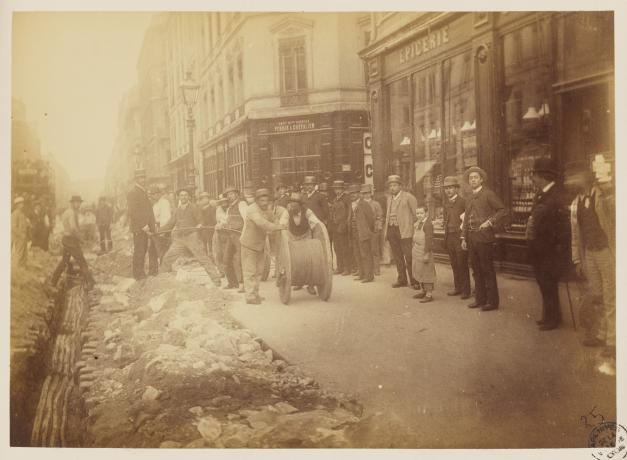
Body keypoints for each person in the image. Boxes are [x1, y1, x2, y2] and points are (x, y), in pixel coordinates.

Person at [564, 161, 615, 361]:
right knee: (597, 295)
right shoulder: (576, 203)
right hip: (590, 253)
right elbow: (575, 236)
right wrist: (577, 260)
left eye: (574, 177)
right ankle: (602, 334)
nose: (570, 181)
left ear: (585, 177)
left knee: (611, 296)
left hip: (607, 252)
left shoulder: (602, 196)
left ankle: (613, 341)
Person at [525, 158, 570, 330]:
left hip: (550, 250)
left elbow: (563, 226)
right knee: (544, 284)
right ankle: (549, 315)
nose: (532, 178)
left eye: (534, 175)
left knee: (549, 284)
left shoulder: (556, 196)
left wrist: (559, 247)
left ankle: (553, 319)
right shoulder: (541, 194)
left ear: (543, 176)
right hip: (539, 248)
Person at [461, 166, 508, 311]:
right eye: (471, 178)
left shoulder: (488, 194)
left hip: (485, 238)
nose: (473, 180)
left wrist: (489, 222)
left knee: (487, 270)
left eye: (476, 177)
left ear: (481, 179)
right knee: (475, 270)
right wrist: (463, 237)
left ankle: (492, 302)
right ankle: (480, 299)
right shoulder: (468, 198)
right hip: (471, 238)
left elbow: (503, 210)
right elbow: (466, 218)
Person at [158, 188, 222, 286]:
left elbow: (201, 220)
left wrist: (200, 225)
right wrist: (158, 231)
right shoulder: (177, 210)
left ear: (188, 197)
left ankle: (216, 279)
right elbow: (170, 224)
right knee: (168, 257)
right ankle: (161, 280)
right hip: (180, 238)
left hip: (192, 236)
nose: (183, 197)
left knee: (202, 258)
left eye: (185, 195)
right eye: (181, 195)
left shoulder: (193, 207)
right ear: (178, 197)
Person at [239, 188, 287, 304]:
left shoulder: (267, 209)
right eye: (262, 200)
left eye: (266, 200)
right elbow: (262, 223)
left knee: (259, 271)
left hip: (260, 245)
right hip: (249, 245)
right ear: (256, 201)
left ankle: (255, 294)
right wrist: (278, 227)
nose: (265, 203)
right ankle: (250, 297)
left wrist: (281, 224)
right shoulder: (252, 210)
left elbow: (274, 219)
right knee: (249, 271)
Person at [49, 195, 95, 289]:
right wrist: (81, 239)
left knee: (64, 262)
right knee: (81, 260)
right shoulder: (71, 213)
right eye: (77, 203)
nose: (78, 205)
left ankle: (53, 282)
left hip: (67, 239)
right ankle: (90, 283)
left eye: (79, 203)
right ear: (72, 203)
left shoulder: (68, 212)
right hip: (70, 240)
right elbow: (73, 228)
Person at [284, 192, 324, 295]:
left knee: (310, 261)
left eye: (295, 204)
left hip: (306, 238)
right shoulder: (287, 212)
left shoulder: (307, 211)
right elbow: (282, 224)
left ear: (300, 205)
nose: (292, 206)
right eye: (291, 203)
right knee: (295, 262)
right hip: (293, 238)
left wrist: (318, 234)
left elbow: (316, 223)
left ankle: (310, 285)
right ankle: (299, 282)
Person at [384, 175, 418, 289]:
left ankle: (415, 281)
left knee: (409, 257)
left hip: (405, 231)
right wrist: (387, 231)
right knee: (397, 257)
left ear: (400, 186)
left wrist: (414, 231)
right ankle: (402, 279)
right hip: (392, 230)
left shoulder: (409, 197)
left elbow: (416, 215)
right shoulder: (389, 198)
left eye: (394, 185)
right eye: (390, 186)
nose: (392, 188)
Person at [442, 176, 471, 299]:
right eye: (446, 188)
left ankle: (466, 290)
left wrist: (464, 235)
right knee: (454, 263)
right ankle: (457, 288)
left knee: (462, 263)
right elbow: (446, 219)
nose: (448, 190)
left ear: (456, 189)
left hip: (459, 237)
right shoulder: (446, 203)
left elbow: (468, 219)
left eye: (451, 188)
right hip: (449, 237)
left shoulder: (463, 202)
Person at [127, 169, 158, 280]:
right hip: (140, 228)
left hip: (145, 227)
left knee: (143, 249)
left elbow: (147, 210)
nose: (143, 180)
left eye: (144, 177)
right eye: (140, 178)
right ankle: (138, 275)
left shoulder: (142, 191)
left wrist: (151, 225)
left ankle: (140, 273)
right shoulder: (133, 192)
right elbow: (133, 211)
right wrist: (143, 225)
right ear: (136, 179)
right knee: (140, 250)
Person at [216, 186, 248, 291]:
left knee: (240, 260)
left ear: (236, 194)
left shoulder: (242, 204)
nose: (230, 196)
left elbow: (247, 220)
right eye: (228, 195)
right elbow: (226, 220)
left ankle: (243, 284)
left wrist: (244, 234)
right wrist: (220, 224)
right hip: (231, 235)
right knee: (226, 259)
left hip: (240, 235)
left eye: (231, 194)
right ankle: (232, 283)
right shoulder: (229, 208)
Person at [348, 184, 376, 283]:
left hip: (363, 233)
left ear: (359, 194)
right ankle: (361, 274)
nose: (352, 195)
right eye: (351, 193)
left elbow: (371, 220)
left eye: (355, 193)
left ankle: (369, 276)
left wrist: (366, 230)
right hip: (354, 233)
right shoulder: (351, 204)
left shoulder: (364, 204)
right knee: (357, 254)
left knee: (365, 254)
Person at [412, 204, 436, 303]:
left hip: (424, 250)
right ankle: (423, 291)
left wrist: (426, 253)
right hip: (417, 250)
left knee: (427, 272)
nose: (419, 215)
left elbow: (429, 239)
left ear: (426, 213)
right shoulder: (417, 223)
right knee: (419, 270)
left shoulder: (428, 224)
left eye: (421, 213)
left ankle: (429, 294)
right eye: (417, 213)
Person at [330, 180, 352, 275]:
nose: (337, 191)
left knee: (344, 248)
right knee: (337, 248)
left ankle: (347, 268)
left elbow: (349, 212)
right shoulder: (335, 199)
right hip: (335, 226)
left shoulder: (346, 198)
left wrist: (345, 224)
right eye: (335, 189)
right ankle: (340, 267)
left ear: (343, 189)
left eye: (339, 189)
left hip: (343, 226)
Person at [361, 184, 383, 276]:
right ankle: (367, 270)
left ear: (371, 193)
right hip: (364, 230)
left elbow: (380, 216)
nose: (366, 195)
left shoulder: (376, 204)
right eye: (364, 193)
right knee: (365, 251)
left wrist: (377, 227)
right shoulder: (360, 204)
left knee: (374, 250)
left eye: (368, 193)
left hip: (373, 229)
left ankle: (376, 269)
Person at [11, 196, 31, 267]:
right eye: (21, 203)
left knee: (24, 253)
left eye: (22, 203)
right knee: (19, 253)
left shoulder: (22, 213)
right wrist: (20, 235)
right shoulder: (15, 214)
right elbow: (13, 227)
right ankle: (17, 270)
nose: (23, 205)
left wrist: (28, 224)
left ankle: (22, 269)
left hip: (23, 236)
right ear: (17, 205)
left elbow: (24, 224)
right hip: (18, 237)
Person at [198, 191, 217, 256]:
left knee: (211, 244)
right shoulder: (200, 209)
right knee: (204, 243)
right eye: (202, 199)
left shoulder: (212, 209)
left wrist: (210, 226)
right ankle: (205, 255)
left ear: (208, 199)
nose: (204, 200)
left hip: (210, 229)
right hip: (203, 230)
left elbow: (214, 220)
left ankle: (211, 256)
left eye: (206, 198)